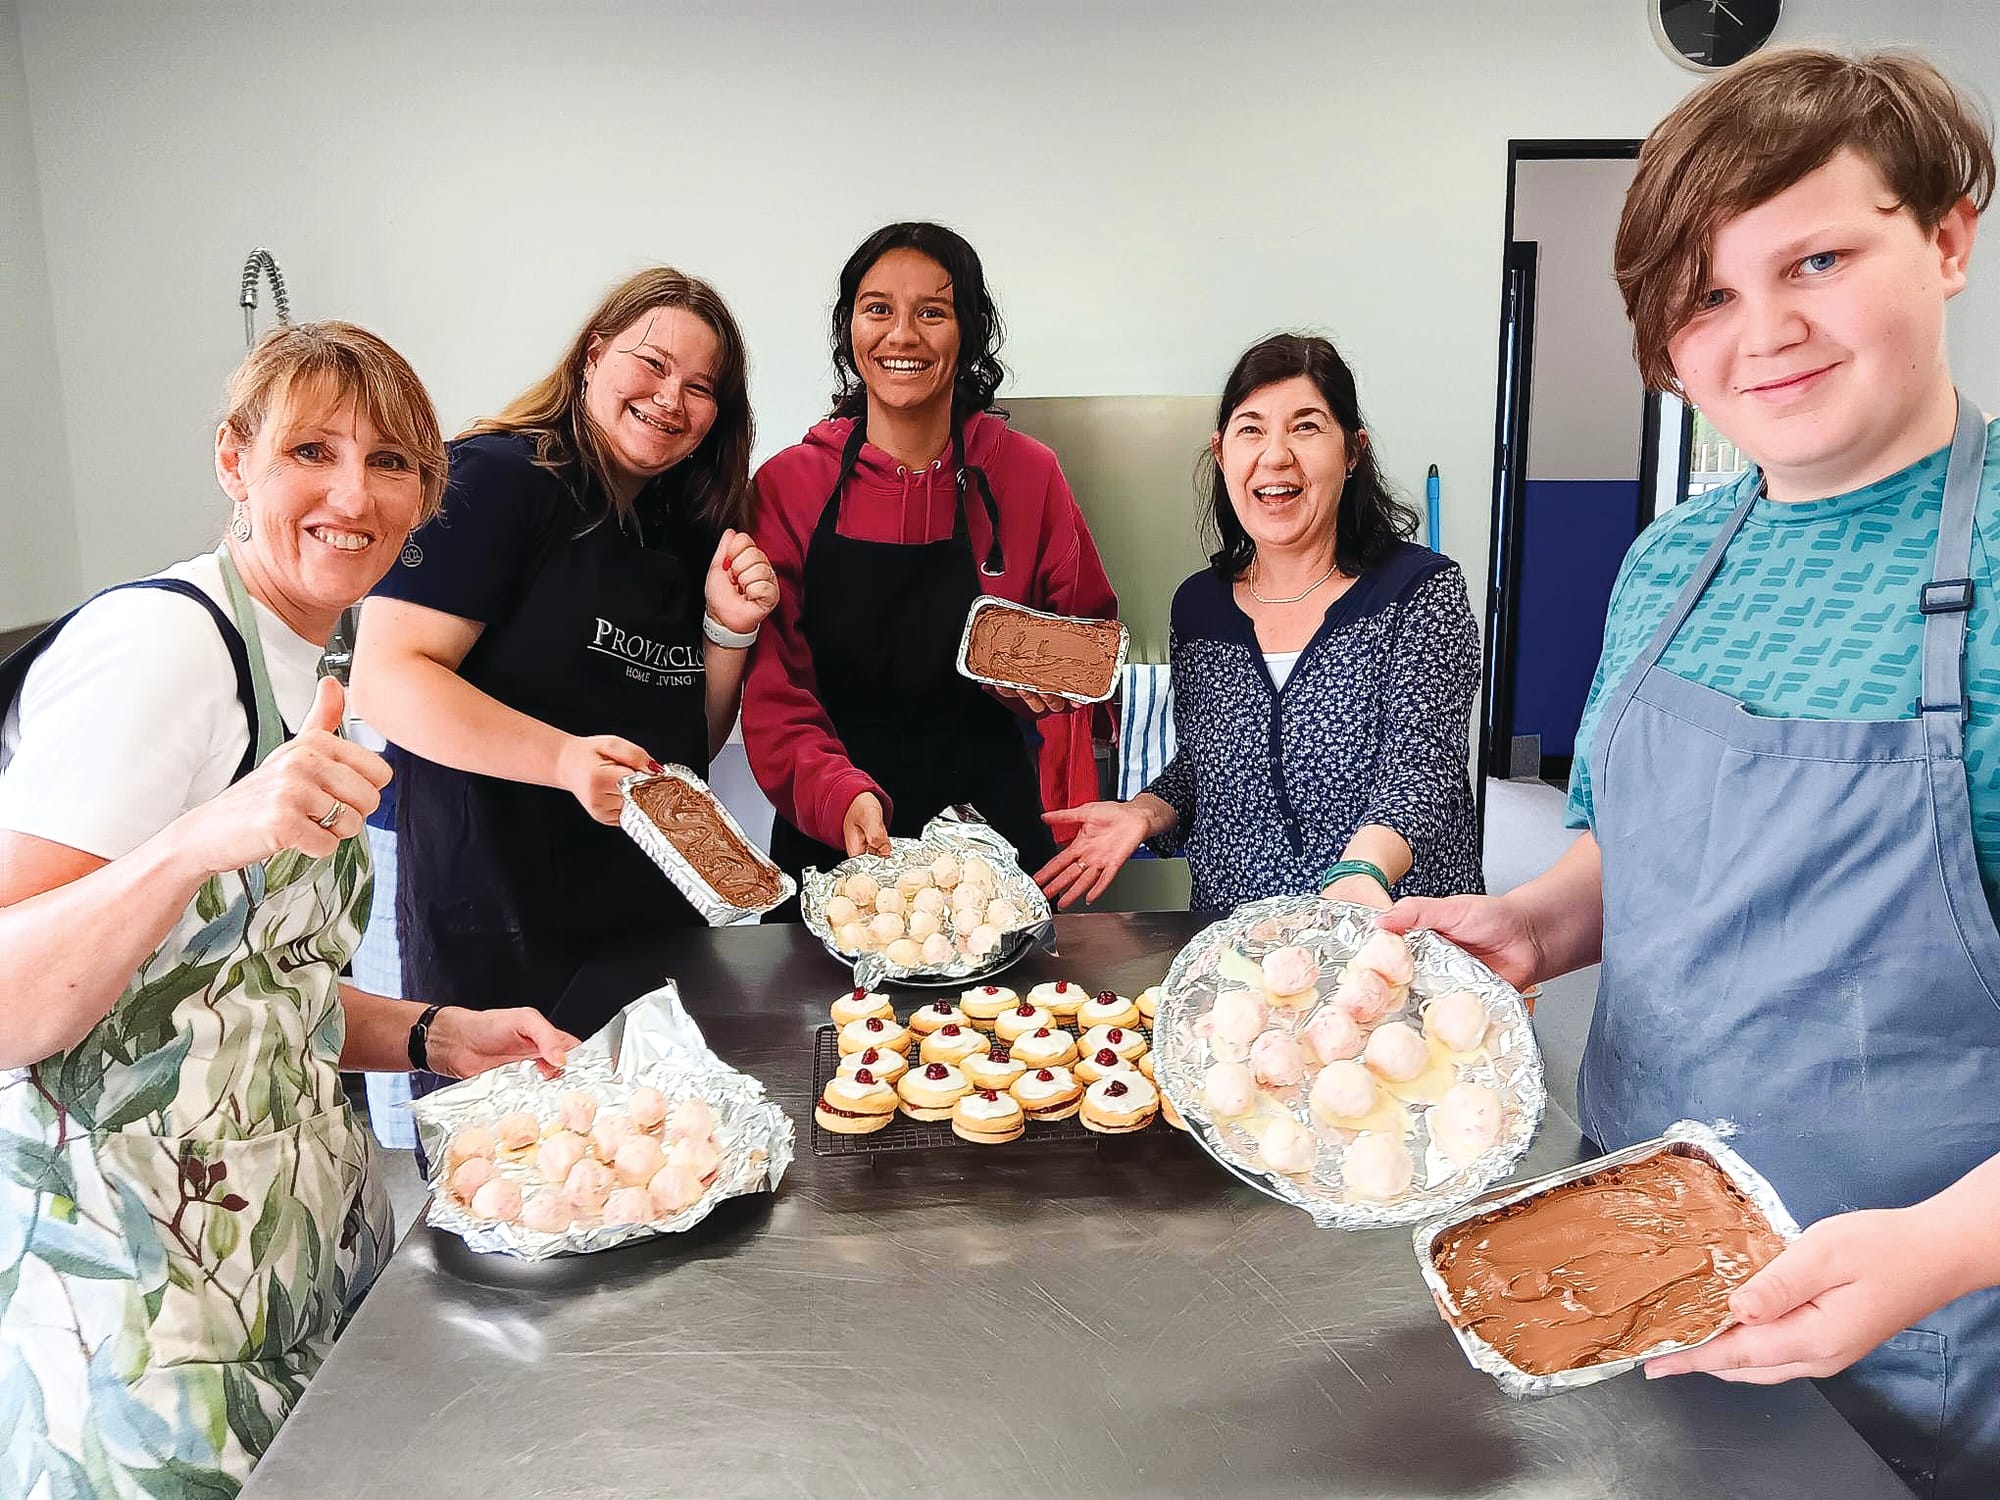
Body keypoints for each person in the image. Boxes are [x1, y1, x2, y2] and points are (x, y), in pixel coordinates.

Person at [1380, 49, 1999, 1498]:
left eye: (1819, 259)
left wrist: (1941, 1251)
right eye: (1707, 295)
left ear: (1950, 237)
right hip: (1628, 1275)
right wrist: (1537, 924)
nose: (1763, 331)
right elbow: (1633, 846)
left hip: (1921, 1359)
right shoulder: (1671, 561)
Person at [0, 322, 575, 1493]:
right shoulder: (162, 646)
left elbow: (244, 981)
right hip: (151, 1316)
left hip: (293, 1255)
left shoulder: (318, 657)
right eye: (311, 451)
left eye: (392, 464)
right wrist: (195, 841)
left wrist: (430, 1031)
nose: (352, 495)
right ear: (234, 461)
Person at [351, 268, 777, 1015]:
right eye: (652, 363)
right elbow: (387, 677)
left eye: (702, 387)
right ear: (592, 356)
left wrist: (727, 634)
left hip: (644, 917)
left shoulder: (680, 526)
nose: (671, 398)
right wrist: (561, 760)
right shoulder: (494, 479)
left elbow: (686, 751)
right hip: (501, 916)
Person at [1036, 333, 1481, 915]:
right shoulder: (1200, 607)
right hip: (1242, 948)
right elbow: (1208, 768)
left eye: (1306, 426)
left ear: (1352, 451)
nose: (1275, 456)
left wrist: (1362, 870)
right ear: (1221, 453)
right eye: (1252, 429)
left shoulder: (1420, 592)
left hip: (1390, 935)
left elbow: (1424, 766)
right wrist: (1142, 812)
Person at [742, 222, 1115, 891]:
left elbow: (1093, 652)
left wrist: (1045, 685)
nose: (902, 335)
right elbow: (775, 692)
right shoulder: (789, 485)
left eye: (932, 312)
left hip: (994, 843)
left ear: (968, 332)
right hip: (839, 838)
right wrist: (837, 796)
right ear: (849, 328)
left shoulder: (1029, 474)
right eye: (877, 308)